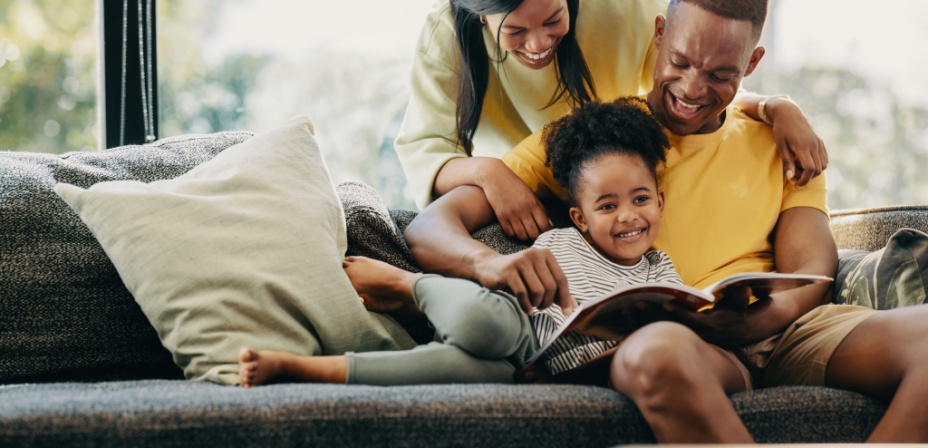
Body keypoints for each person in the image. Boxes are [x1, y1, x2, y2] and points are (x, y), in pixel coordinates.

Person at [403, 0, 928, 443]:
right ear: (659, 34)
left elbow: (810, 266)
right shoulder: (595, 140)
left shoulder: (778, 140)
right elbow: (428, 228)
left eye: (721, 74)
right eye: (679, 62)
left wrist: (771, 314)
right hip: (684, 343)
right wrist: (489, 264)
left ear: (752, 64)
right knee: (652, 353)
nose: (693, 88)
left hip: (784, 330)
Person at [238, 98, 682, 386]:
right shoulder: (559, 245)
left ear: (659, 203)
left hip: (526, 370)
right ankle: (406, 285)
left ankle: (298, 368)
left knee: (461, 372)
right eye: (607, 207)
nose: (627, 215)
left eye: (640, 199)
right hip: (517, 332)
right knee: (488, 325)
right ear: (579, 219)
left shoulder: (660, 271)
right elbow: (506, 301)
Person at [395, 0, 828, 242]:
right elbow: (425, 148)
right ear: (480, 17)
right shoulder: (446, 37)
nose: (539, 44)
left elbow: (689, 91)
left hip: (610, 192)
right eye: (515, 33)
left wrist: (776, 106)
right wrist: (490, 172)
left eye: (553, 21)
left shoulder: (625, 11)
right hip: (519, 185)